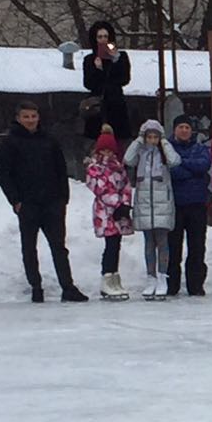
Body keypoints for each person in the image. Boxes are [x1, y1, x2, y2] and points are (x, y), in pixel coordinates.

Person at [0, 100, 86, 303]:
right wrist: (15, 200)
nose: (30, 120)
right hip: (27, 204)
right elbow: (4, 175)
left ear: (39, 117)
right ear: (18, 118)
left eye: (33, 116)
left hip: (53, 202)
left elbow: (61, 169)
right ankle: (36, 286)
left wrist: (63, 197)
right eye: (26, 117)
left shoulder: (50, 141)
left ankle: (68, 287)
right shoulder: (9, 143)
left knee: (59, 246)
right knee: (29, 247)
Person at [124, 118, 179, 300]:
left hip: (163, 202)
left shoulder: (164, 153)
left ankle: (163, 276)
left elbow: (174, 160)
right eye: (149, 136)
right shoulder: (140, 152)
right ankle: (151, 277)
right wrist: (139, 140)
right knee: (149, 243)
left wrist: (164, 142)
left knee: (163, 242)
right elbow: (128, 159)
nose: (152, 140)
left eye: (156, 136)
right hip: (145, 202)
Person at [85, 126, 133, 300]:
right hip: (105, 213)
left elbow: (126, 185)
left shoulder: (119, 167)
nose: (107, 153)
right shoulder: (94, 168)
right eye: (104, 150)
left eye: (110, 150)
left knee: (116, 244)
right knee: (110, 245)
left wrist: (126, 204)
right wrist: (117, 203)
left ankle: (114, 276)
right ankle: (106, 278)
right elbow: (100, 189)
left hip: (119, 214)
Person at [165, 117, 212, 297]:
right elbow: (171, 170)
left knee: (197, 247)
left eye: (187, 127)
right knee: (173, 247)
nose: (184, 130)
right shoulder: (166, 148)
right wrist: (190, 170)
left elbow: (203, 165)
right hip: (174, 204)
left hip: (197, 204)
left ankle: (196, 285)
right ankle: (171, 284)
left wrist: (181, 162)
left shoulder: (200, 148)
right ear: (174, 129)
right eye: (181, 127)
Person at [81, 20, 131, 143]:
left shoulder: (121, 56)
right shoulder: (89, 59)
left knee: (118, 142)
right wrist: (98, 70)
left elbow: (124, 79)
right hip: (97, 106)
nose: (103, 40)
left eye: (105, 36)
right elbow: (88, 83)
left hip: (116, 105)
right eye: (100, 37)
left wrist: (115, 61)